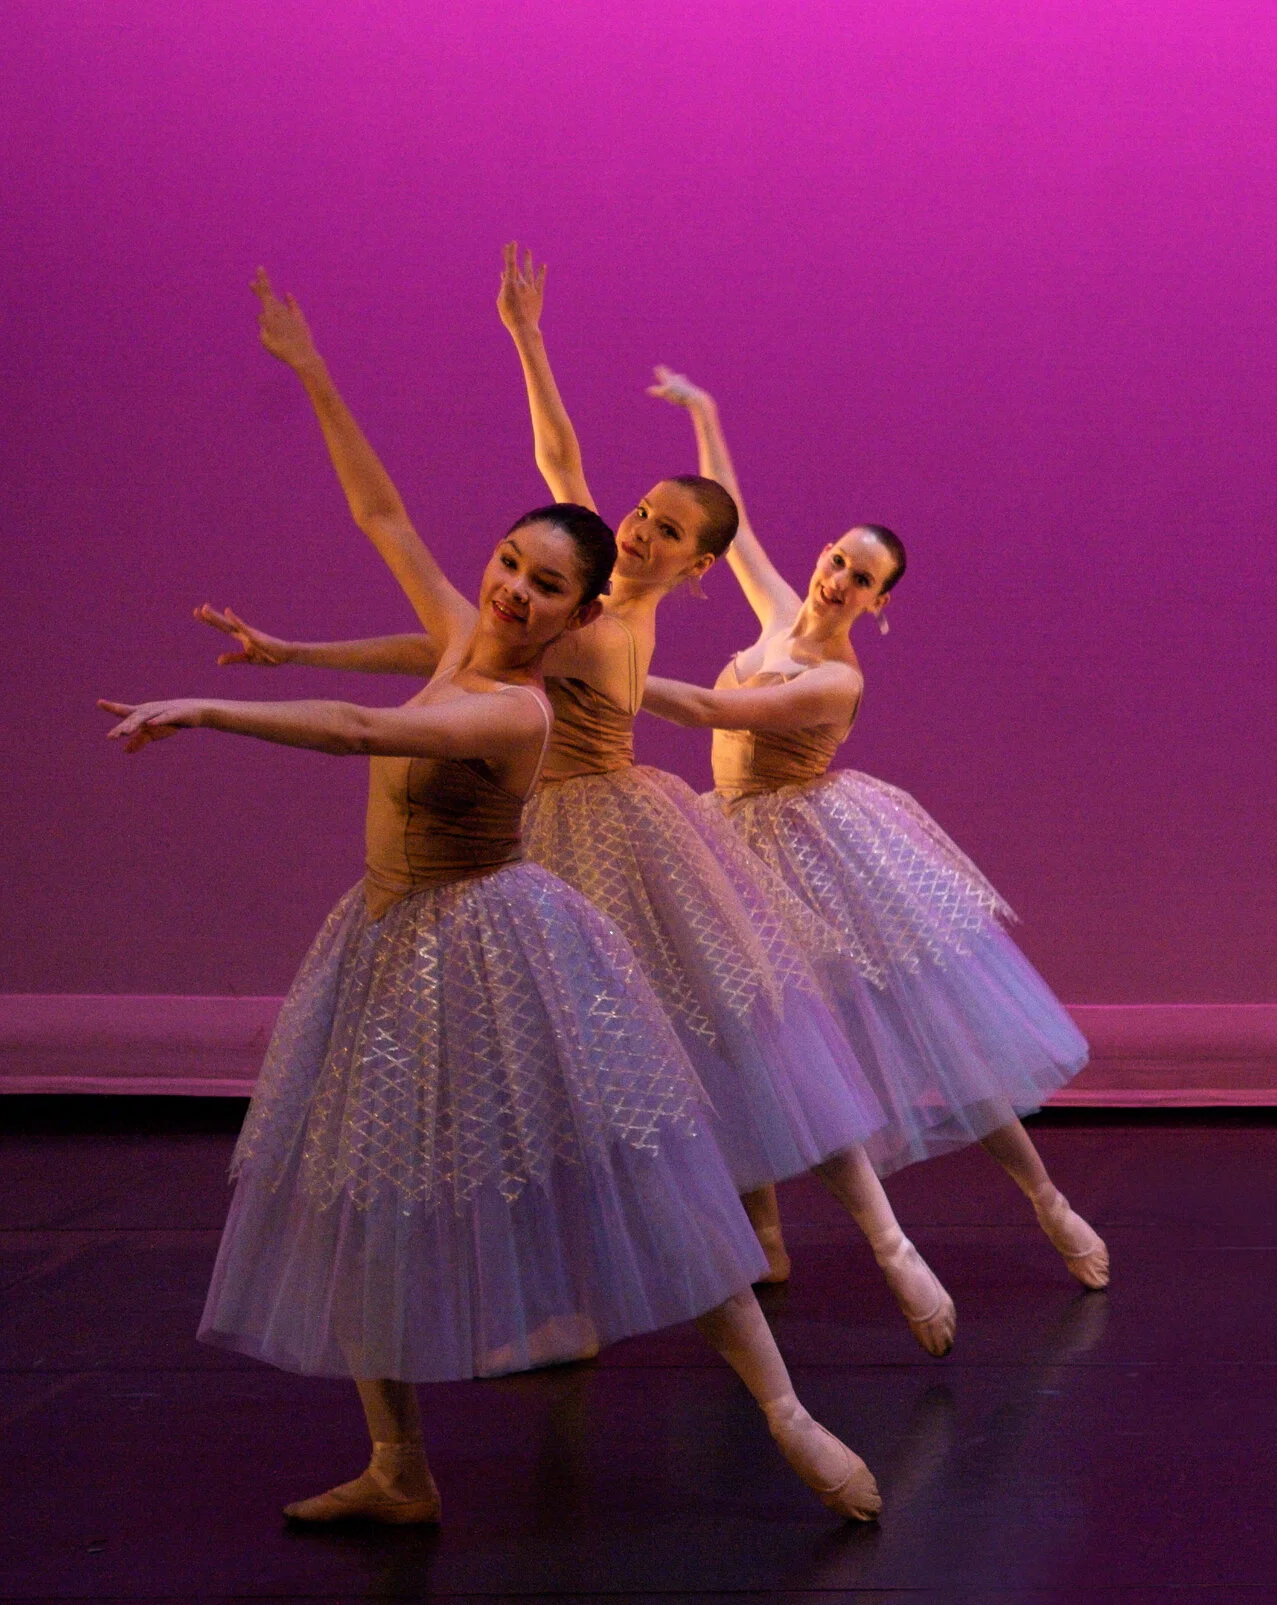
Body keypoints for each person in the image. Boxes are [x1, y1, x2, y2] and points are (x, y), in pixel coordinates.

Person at [105, 283, 879, 1521]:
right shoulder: (465, 634)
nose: (515, 590)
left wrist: (208, 709)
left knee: (639, 1172)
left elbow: (361, 730)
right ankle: (398, 1467)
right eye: (510, 564)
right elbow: (381, 514)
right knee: (361, 1189)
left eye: (544, 585)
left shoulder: (518, 706)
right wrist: (311, 371)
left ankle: (787, 1412)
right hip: (385, 938)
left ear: (580, 615)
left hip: (496, 942)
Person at [203, 253, 959, 1355]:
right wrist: (527, 337)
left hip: (617, 834)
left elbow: (458, 641)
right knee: (569, 1082)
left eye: (667, 532)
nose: (641, 530)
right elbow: (522, 519)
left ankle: (887, 1245)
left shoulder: (610, 625)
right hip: (538, 832)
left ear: (698, 568)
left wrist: (301, 657)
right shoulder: (581, 589)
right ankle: (601, 1294)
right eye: (641, 513)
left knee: (744, 1038)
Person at [632, 367, 1105, 1287]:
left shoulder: (838, 678)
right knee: (741, 1040)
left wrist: (605, 679)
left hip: (811, 857)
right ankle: (765, 1238)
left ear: (878, 604)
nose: (840, 579)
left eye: (862, 579)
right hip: (729, 843)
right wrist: (707, 413)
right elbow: (733, 521)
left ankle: (1048, 1199)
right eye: (839, 561)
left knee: (933, 1041)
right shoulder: (777, 610)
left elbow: (718, 713)